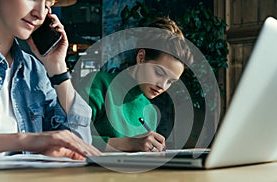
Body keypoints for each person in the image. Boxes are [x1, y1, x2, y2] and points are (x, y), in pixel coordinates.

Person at [0, 0, 101, 159]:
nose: (40, 13)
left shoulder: (34, 72)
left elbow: (79, 144)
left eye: (47, 5)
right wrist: (24, 140)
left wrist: (57, 68)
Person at [78, 17, 193, 152]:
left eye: (171, 81)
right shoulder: (98, 85)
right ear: (141, 57)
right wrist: (129, 143)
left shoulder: (150, 112)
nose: (163, 85)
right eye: (159, 73)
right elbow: (70, 137)